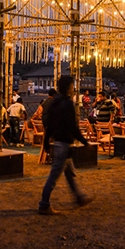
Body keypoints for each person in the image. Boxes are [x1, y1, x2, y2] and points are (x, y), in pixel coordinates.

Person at [38, 75, 93, 215]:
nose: (73, 88)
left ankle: (79, 197)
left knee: (69, 173)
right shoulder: (67, 104)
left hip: (58, 142)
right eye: (72, 86)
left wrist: (46, 142)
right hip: (64, 143)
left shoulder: (54, 103)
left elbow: (49, 124)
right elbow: (72, 126)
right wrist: (85, 142)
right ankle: (44, 205)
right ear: (68, 87)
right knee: (54, 176)